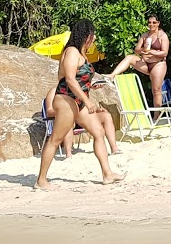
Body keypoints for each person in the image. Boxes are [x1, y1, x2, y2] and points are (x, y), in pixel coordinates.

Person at [36, 20, 123, 188]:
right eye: (93, 35)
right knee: (55, 139)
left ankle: (107, 174)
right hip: (65, 100)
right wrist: (87, 101)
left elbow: (80, 80)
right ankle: (41, 180)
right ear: (86, 36)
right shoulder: (71, 52)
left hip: (78, 102)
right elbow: (69, 79)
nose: (95, 38)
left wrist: (91, 90)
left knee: (98, 132)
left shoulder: (82, 54)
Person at [113, 12, 169, 107]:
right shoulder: (145, 35)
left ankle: (157, 117)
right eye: (149, 22)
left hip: (158, 64)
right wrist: (143, 50)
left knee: (156, 90)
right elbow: (136, 50)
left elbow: (164, 53)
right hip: (144, 63)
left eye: (154, 22)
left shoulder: (162, 36)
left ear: (158, 23)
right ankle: (112, 75)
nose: (151, 24)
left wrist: (151, 52)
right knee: (129, 57)